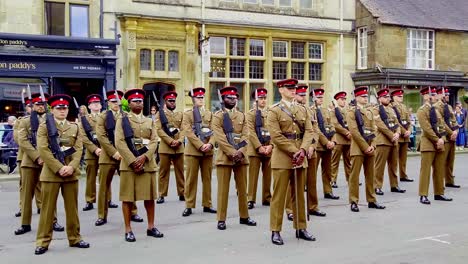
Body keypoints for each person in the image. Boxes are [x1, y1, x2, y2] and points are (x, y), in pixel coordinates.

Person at [34, 94, 89, 255]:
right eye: (59, 108)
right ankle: (43, 241)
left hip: (71, 173)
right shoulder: (44, 126)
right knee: (47, 210)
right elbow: (43, 149)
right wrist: (59, 167)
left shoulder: (75, 127)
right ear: (52, 109)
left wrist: (71, 166)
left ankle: (75, 238)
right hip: (51, 173)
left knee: (72, 208)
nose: (62, 111)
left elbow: (79, 149)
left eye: (64, 108)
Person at [268, 78, 315, 246]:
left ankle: (301, 227)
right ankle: (275, 230)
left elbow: (309, 131)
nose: (293, 90)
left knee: (299, 196)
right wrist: (295, 151)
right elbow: (276, 136)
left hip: (300, 156)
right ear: (281, 90)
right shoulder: (274, 111)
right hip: (282, 157)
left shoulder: (303, 109)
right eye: (289, 88)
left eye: (294, 88)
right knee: (279, 196)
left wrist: (302, 150)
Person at [115, 88, 163, 242]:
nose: (138, 103)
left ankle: (151, 226)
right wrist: (132, 160)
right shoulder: (122, 120)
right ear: (129, 103)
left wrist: (145, 156)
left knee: (150, 198)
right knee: (128, 198)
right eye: (135, 101)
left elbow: (155, 140)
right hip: (129, 165)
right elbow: (119, 142)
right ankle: (128, 229)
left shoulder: (150, 121)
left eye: (140, 101)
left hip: (147, 164)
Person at [15, 93, 64, 236]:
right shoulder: (25, 121)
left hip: (48, 161)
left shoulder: (52, 120)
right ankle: (25, 223)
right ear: (32, 106)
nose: (40, 107)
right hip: (30, 161)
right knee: (26, 194)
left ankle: (53, 221)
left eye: (43, 104)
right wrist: (37, 157)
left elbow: (56, 140)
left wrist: (46, 157)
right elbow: (22, 141)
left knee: (49, 193)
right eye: (37, 104)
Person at [95, 90, 142, 226]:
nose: (116, 103)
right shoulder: (103, 116)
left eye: (118, 101)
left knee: (129, 186)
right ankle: (102, 215)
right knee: (104, 187)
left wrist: (126, 153)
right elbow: (101, 136)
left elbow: (131, 135)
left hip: (125, 156)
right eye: (113, 101)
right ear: (109, 103)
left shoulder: (126, 116)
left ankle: (133, 212)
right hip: (108, 156)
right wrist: (114, 152)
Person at [212, 86, 256, 231]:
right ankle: (221, 219)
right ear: (223, 100)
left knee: (243, 190)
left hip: (241, 158)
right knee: (223, 190)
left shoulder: (242, 116)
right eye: (229, 98)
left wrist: (241, 151)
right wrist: (232, 152)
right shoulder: (217, 116)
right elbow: (220, 137)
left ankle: (244, 216)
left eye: (234, 98)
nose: (233, 100)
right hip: (225, 158)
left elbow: (246, 135)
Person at [346, 86, 385, 212]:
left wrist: (373, 145)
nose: (365, 98)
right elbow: (354, 131)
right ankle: (353, 201)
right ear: (357, 97)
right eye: (362, 96)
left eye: (365, 96)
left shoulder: (369, 112)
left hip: (370, 147)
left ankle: (372, 199)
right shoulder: (351, 111)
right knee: (354, 176)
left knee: (370, 175)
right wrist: (365, 146)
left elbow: (374, 129)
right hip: (358, 147)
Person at [181, 87, 217, 217]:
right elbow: (188, 132)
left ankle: (207, 204)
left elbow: (215, 131)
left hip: (207, 151)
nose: (201, 99)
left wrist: (210, 144)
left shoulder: (209, 114)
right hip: (193, 151)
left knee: (207, 179)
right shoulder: (187, 114)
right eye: (198, 98)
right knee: (191, 179)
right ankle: (189, 205)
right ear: (193, 99)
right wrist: (200, 145)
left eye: (202, 97)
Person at [417, 86, 452, 204]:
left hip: (439, 143)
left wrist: (443, 137)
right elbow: (426, 128)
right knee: (425, 171)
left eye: (434, 94)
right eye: (431, 95)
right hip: (428, 144)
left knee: (439, 170)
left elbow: (441, 125)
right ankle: (423, 195)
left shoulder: (435, 110)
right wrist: (437, 139)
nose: (434, 96)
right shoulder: (422, 110)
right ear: (425, 96)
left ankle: (439, 193)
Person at [373, 88, 405, 195]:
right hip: (383, 140)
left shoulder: (391, 110)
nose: (387, 99)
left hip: (393, 140)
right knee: (379, 166)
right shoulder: (376, 109)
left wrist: (398, 133)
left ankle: (394, 185)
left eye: (388, 97)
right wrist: (392, 135)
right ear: (379, 98)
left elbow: (397, 124)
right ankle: (377, 186)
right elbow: (380, 125)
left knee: (393, 165)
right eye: (385, 97)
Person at [155, 90, 185, 204]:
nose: (172, 103)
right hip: (166, 147)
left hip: (179, 147)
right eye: (170, 101)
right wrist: (170, 141)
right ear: (165, 102)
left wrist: (180, 140)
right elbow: (158, 130)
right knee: (163, 172)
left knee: (180, 172)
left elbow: (184, 129)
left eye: (173, 101)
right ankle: (162, 194)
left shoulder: (180, 114)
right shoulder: (160, 114)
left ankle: (182, 193)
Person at [246, 87, 273, 210]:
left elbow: (275, 131)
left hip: (268, 147)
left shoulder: (271, 113)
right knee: (253, 175)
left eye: (264, 98)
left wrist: (271, 145)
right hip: (255, 149)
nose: (263, 100)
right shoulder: (250, 114)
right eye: (260, 98)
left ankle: (267, 198)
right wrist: (259, 146)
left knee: (268, 175)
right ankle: (250, 198)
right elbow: (250, 132)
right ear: (255, 100)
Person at [312, 88, 339, 200]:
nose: (320, 99)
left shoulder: (326, 111)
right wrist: (326, 142)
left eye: (322, 97)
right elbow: (315, 129)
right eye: (318, 97)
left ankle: (328, 191)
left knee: (328, 170)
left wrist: (333, 141)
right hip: (318, 145)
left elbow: (332, 126)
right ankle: (311, 193)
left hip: (328, 145)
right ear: (313, 98)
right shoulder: (310, 111)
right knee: (313, 171)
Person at [81, 94, 103, 212]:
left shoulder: (105, 116)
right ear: (89, 106)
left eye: (98, 102)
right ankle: (90, 200)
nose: (96, 104)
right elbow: (83, 136)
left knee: (105, 177)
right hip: (91, 152)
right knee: (91, 178)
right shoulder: (86, 119)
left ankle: (107, 199)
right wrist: (95, 149)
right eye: (93, 103)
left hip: (105, 150)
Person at [434, 87, 460, 188]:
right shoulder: (436, 107)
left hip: (452, 137)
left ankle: (449, 181)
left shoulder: (448, 107)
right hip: (445, 136)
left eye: (448, 95)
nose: (448, 96)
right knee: (441, 162)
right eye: (446, 95)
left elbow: (453, 120)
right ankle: (440, 183)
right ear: (440, 95)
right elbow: (441, 123)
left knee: (450, 161)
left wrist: (456, 131)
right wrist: (451, 133)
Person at [391, 89, 414, 181]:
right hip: (398, 135)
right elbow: (395, 122)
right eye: (399, 96)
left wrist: (409, 130)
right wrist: (404, 131)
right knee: (394, 159)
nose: (401, 97)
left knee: (403, 158)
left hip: (406, 136)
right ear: (394, 97)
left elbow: (409, 120)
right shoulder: (392, 107)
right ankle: (394, 176)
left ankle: (403, 175)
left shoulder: (404, 107)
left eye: (402, 96)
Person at [330, 91, 351, 186]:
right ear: (337, 100)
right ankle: (333, 180)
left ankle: (350, 179)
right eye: (342, 99)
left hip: (348, 139)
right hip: (339, 138)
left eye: (344, 99)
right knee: (335, 161)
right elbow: (335, 124)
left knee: (348, 161)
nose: (344, 101)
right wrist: (346, 132)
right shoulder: (333, 111)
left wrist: (350, 132)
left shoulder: (348, 110)